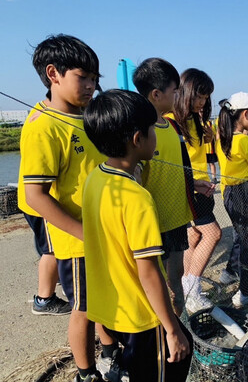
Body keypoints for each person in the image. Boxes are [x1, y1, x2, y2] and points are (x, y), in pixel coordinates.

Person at [17, 34, 120, 382]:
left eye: (95, 79)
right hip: (79, 240)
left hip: (103, 229)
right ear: (53, 74)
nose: (91, 86)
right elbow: (35, 196)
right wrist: (84, 233)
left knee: (105, 296)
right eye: (83, 77)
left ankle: (110, 352)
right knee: (85, 307)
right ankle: (86, 372)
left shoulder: (87, 115)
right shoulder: (44, 125)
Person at [83, 89, 192, 382]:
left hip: (110, 307)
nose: (156, 135)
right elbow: (147, 271)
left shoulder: (96, 178)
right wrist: (171, 328)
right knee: (174, 361)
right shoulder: (138, 198)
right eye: (152, 130)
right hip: (141, 314)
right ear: (137, 139)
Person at [132, 58, 214, 315]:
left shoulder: (172, 127)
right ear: (157, 94)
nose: (179, 96)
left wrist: (193, 184)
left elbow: (180, 165)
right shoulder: (141, 131)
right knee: (156, 280)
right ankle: (166, 326)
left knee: (176, 273)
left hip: (178, 212)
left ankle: (181, 318)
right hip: (154, 221)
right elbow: (135, 175)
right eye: (175, 91)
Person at [173, 68, 221, 313]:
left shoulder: (194, 119)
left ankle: (186, 287)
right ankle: (193, 286)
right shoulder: (172, 119)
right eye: (198, 97)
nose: (201, 103)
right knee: (213, 235)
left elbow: (199, 153)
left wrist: (208, 136)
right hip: (188, 188)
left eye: (205, 98)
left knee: (193, 238)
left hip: (199, 184)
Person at [17, 99, 71, 317]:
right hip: (42, 202)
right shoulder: (44, 120)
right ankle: (44, 298)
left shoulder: (41, 110)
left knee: (50, 248)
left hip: (36, 199)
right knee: (52, 250)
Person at [216, 92, 248, 307]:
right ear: (245, 114)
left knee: (244, 238)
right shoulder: (246, 142)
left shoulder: (223, 140)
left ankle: (244, 285)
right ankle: (247, 291)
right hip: (246, 191)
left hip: (229, 193)